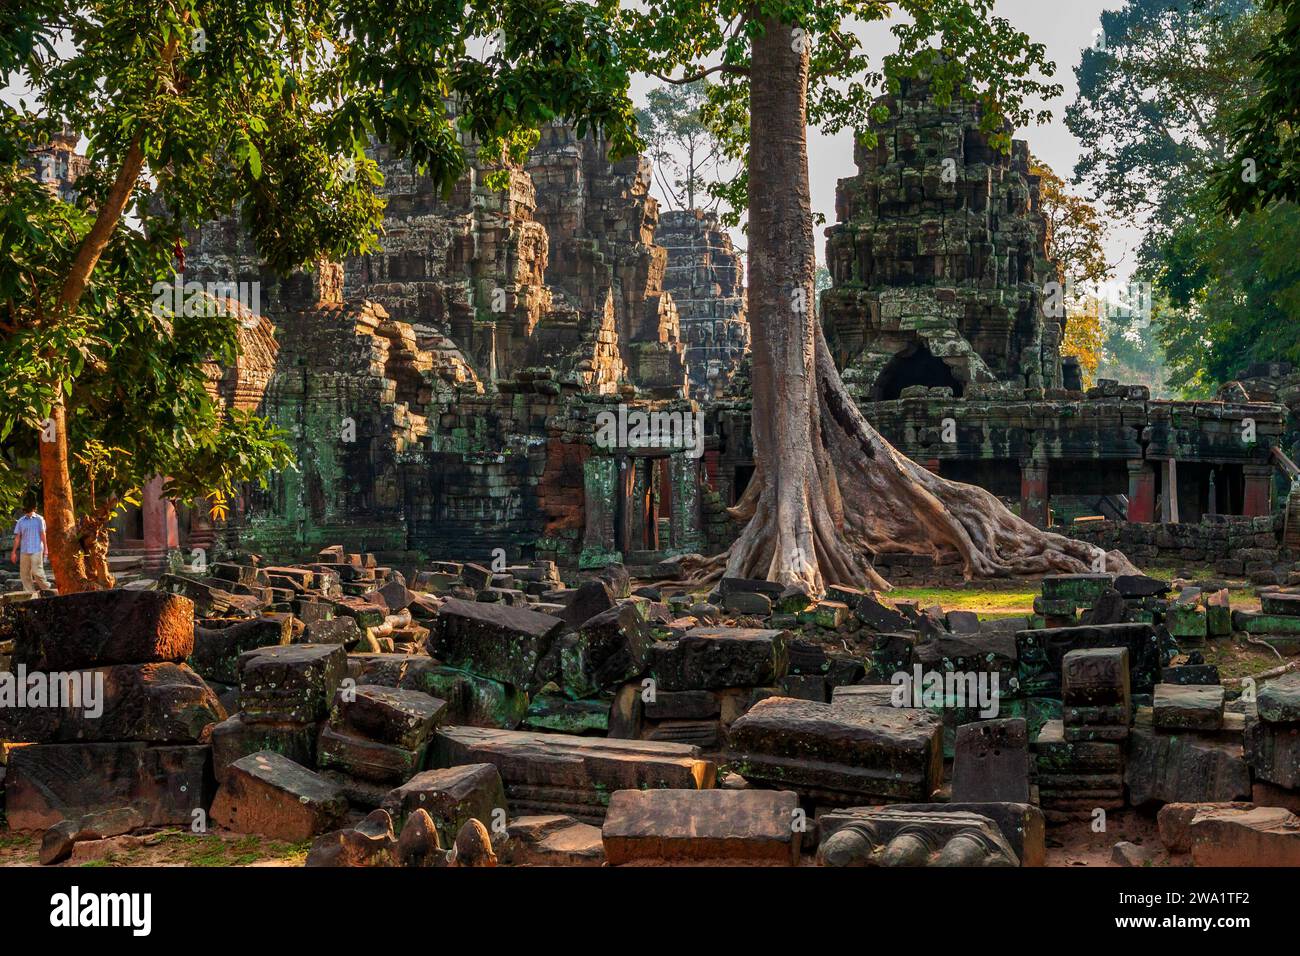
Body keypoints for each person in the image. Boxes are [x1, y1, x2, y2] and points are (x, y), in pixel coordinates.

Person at [10, 497, 51, 592]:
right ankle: (30, 595)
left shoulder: (40, 519)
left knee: (37, 572)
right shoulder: (20, 521)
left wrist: (46, 549)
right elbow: (17, 538)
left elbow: (43, 534)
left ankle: (48, 589)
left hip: (36, 549)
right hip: (24, 550)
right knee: (24, 574)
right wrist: (13, 552)